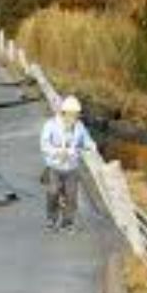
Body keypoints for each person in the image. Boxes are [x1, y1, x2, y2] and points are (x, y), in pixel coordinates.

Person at [39, 95, 96, 233]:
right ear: (64, 112)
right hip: (54, 167)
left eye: (76, 114)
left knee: (71, 196)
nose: (74, 118)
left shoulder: (79, 127)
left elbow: (88, 142)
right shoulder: (51, 125)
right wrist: (58, 152)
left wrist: (89, 147)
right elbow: (44, 145)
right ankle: (51, 220)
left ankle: (67, 223)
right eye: (72, 114)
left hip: (72, 168)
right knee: (53, 192)